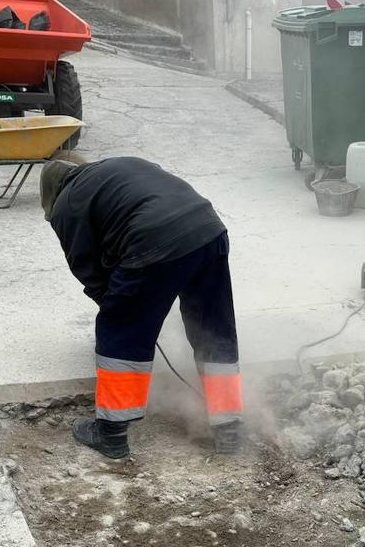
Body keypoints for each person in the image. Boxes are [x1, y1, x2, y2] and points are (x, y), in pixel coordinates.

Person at [40, 155, 243, 459]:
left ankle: (111, 434)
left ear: (51, 193)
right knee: (213, 328)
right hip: (209, 230)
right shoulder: (118, 168)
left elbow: (89, 271)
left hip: (154, 239)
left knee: (119, 327)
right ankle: (229, 428)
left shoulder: (66, 204)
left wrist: (121, 307)